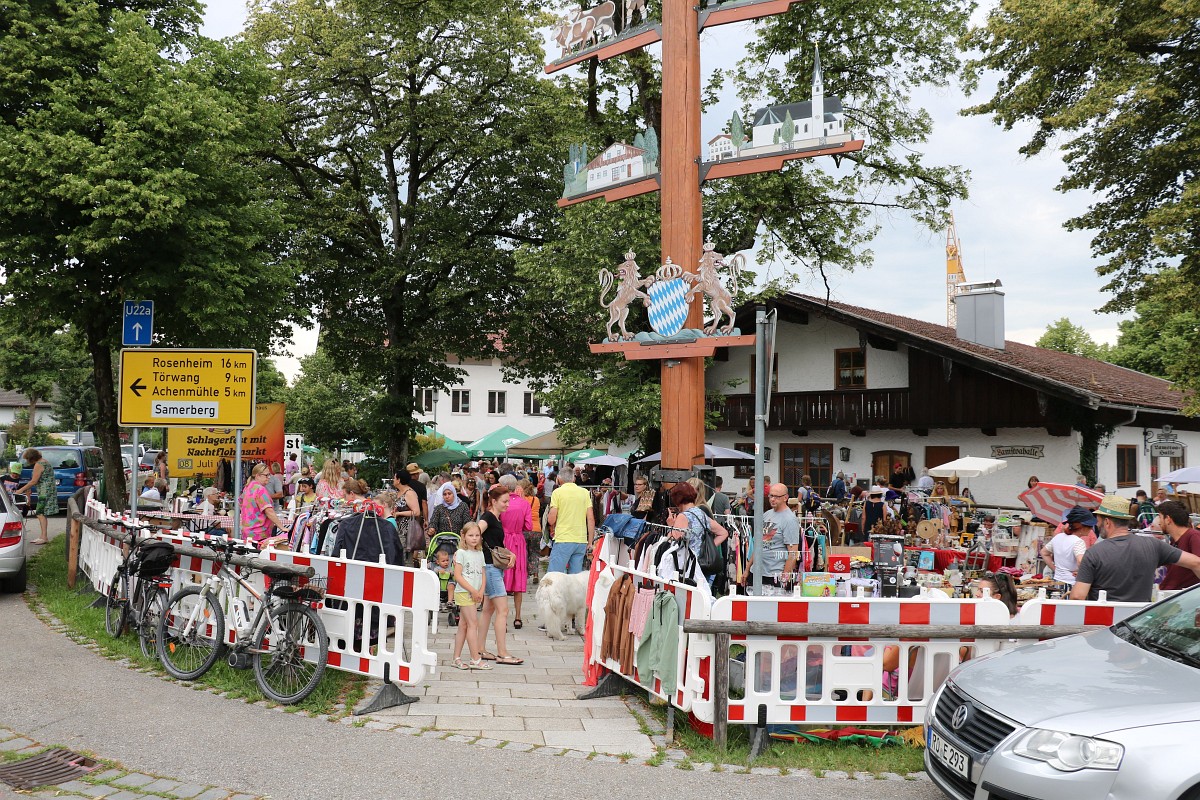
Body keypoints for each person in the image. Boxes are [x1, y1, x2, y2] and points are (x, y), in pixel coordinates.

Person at [1070, 495, 1200, 602]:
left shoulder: (1093, 553)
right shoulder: (1154, 545)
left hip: (1105, 620)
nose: (1097, 525)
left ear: (1107, 522)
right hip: (1140, 620)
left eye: (1098, 521)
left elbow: (1077, 597)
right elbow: (1197, 563)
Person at [476, 485, 522, 665]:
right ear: (493, 501)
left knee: (488, 610)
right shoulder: (488, 517)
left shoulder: (494, 518)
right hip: (491, 568)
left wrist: (510, 553)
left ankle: (480, 648)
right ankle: (502, 653)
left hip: (491, 567)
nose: (507, 505)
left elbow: (494, 543)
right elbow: (475, 532)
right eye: (504, 501)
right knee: (503, 610)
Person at [668, 482, 728, 585]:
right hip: (703, 563)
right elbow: (723, 533)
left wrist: (671, 525)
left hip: (688, 566)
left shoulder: (683, 516)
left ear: (677, 499)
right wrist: (708, 547)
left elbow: (675, 540)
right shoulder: (701, 513)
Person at [451, 522, 489, 670]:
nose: (474, 538)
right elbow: (458, 575)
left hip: (476, 593)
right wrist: (473, 591)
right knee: (473, 624)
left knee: (464, 625)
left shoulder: (480, 553)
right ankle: (475, 658)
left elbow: (483, 574)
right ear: (464, 536)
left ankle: (456, 658)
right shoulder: (461, 553)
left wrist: (481, 591)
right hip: (464, 592)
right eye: (471, 535)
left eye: (477, 535)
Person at [748, 483, 799, 592]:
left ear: (785, 498)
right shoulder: (767, 514)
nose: (772, 499)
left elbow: (793, 552)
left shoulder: (790, 519)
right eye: (771, 496)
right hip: (756, 572)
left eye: (776, 496)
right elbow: (758, 545)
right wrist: (747, 569)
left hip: (775, 575)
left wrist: (785, 576)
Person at [499, 474, 533, 628]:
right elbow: (529, 526)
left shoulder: (501, 503)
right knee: (518, 578)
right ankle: (518, 617)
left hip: (504, 541)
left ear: (505, 487)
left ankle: (503, 618)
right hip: (518, 541)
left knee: (503, 579)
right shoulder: (524, 503)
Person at [546, 467, 594, 575]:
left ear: (559, 479)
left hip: (563, 538)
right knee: (575, 578)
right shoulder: (584, 492)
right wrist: (590, 542)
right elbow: (590, 518)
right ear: (574, 478)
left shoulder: (557, 492)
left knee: (555, 575)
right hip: (581, 540)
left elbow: (551, 520)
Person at [14, 449, 56, 544]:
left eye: (27, 459)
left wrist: (20, 490)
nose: (27, 461)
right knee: (41, 513)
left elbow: (34, 481)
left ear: (31, 458)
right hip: (48, 490)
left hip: (44, 491)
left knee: (40, 513)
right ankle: (42, 536)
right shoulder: (45, 462)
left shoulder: (38, 464)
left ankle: (44, 537)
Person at [1156, 500, 1200, 591]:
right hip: (1170, 594)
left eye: (1160, 517)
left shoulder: (1193, 536)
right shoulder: (1174, 540)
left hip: (1181, 596)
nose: (1159, 522)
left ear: (1168, 519)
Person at [1040, 506, 1089, 585]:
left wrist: (1055, 569)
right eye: (1090, 527)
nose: (1091, 529)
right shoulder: (1078, 542)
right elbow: (1080, 561)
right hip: (1072, 582)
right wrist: (1081, 573)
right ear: (1082, 528)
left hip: (1058, 580)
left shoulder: (1058, 537)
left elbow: (1044, 552)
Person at [240, 463, 286, 546]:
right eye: (266, 475)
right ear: (258, 476)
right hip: (259, 533)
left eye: (269, 475)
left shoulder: (247, 487)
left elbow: (240, 502)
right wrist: (282, 527)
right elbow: (269, 511)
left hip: (247, 531)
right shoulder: (260, 489)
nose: (269, 477)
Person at [391, 471, 423, 566]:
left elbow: (416, 512)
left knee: (405, 558)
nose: (393, 480)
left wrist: (399, 513)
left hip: (406, 531)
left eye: (394, 478)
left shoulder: (409, 493)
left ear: (399, 480)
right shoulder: (398, 492)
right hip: (397, 529)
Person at [520, 479, 542, 583]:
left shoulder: (521, 500)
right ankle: (535, 574)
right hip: (536, 529)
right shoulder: (536, 499)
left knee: (524, 552)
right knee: (535, 552)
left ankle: (524, 575)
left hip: (524, 528)